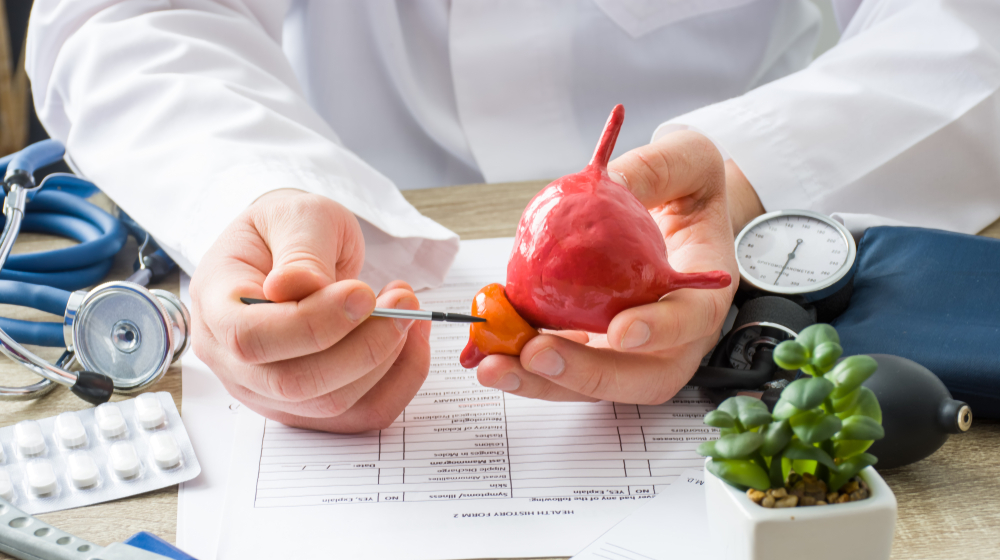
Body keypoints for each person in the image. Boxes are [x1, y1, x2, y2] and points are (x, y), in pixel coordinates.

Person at [26, 1, 1000, 432]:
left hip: (764, 247)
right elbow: (124, 13)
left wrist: (752, 173)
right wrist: (251, 188)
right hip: (342, 218)